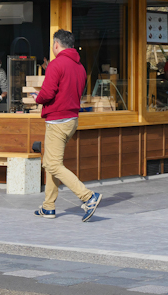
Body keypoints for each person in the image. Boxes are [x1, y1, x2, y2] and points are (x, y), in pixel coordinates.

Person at [34, 30, 101, 222]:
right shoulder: (79, 67)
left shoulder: (56, 64)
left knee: (52, 164)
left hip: (57, 120)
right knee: (51, 162)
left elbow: (47, 93)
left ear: (56, 44)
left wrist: (37, 98)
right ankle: (48, 206)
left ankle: (88, 196)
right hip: (71, 119)